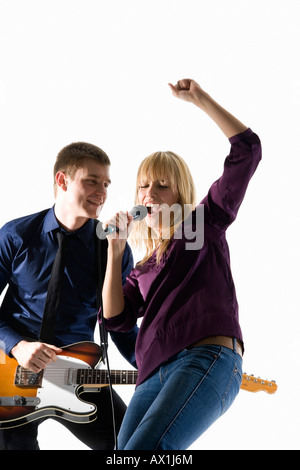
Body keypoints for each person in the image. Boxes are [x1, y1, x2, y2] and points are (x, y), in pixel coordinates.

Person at [101, 79, 262, 450]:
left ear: (180, 196)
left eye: (162, 186)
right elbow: (116, 320)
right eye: (143, 186)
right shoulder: (141, 268)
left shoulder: (202, 224)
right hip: (152, 376)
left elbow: (247, 151)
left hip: (205, 357)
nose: (150, 194)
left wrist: (200, 99)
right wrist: (113, 253)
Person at [0, 142, 138, 450]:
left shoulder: (113, 248)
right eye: (91, 180)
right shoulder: (16, 235)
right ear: (62, 181)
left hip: (80, 371)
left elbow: (121, 324)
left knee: (134, 447)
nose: (102, 192)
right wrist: (17, 345)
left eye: (106, 184)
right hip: (11, 372)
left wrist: (159, 363)